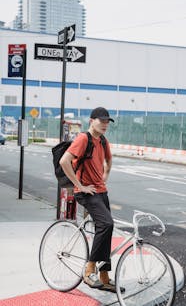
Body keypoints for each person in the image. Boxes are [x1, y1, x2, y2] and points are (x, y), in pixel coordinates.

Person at [59, 107, 116, 292]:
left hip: (100, 191)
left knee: (107, 227)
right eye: (102, 121)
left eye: (107, 121)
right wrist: (80, 185)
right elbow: (64, 161)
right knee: (106, 224)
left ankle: (104, 276)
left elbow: (109, 161)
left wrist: (104, 179)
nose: (105, 124)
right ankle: (89, 269)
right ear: (92, 121)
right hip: (86, 192)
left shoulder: (103, 140)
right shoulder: (84, 139)